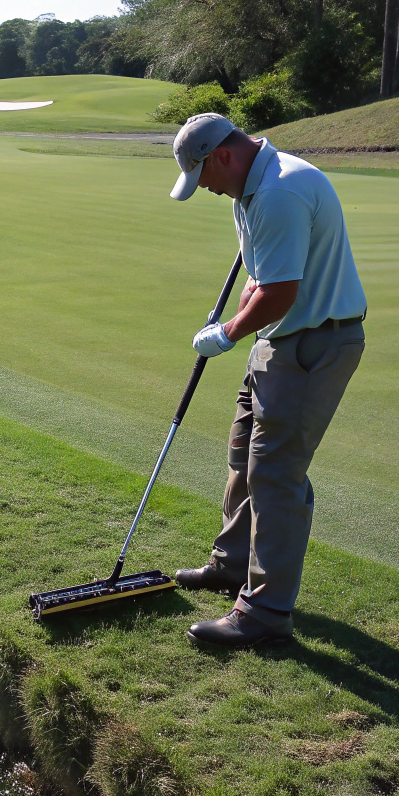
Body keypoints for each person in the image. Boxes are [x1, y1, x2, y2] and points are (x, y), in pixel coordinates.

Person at [168, 112, 367, 647]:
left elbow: (280, 292)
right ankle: (232, 564)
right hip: (277, 340)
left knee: (275, 475)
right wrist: (238, 327)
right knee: (242, 457)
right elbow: (257, 277)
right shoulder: (248, 192)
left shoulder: (279, 191)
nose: (203, 187)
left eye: (201, 175)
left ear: (223, 155)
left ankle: (264, 611)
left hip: (313, 343)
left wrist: (227, 334)